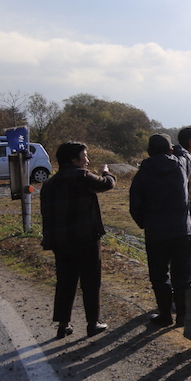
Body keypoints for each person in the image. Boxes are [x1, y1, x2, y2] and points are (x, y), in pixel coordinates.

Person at [39, 141, 116, 339]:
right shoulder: (81, 176)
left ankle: (63, 324)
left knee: (65, 281)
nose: (87, 160)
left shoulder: (49, 184)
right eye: (85, 156)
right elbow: (107, 184)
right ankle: (93, 322)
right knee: (91, 280)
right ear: (74, 159)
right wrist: (106, 171)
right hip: (86, 238)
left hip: (60, 241)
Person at [129, 133, 191, 327]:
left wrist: (145, 223)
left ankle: (165, 315)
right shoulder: (180, 165)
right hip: (183, 229)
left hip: (156, 232)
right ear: (171, 150)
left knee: (159, 275)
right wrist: (176, 148)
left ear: (148, 152)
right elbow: (186, 154)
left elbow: (135, 205)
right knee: (183, 275)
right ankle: (183, 315)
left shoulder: (143, 173)